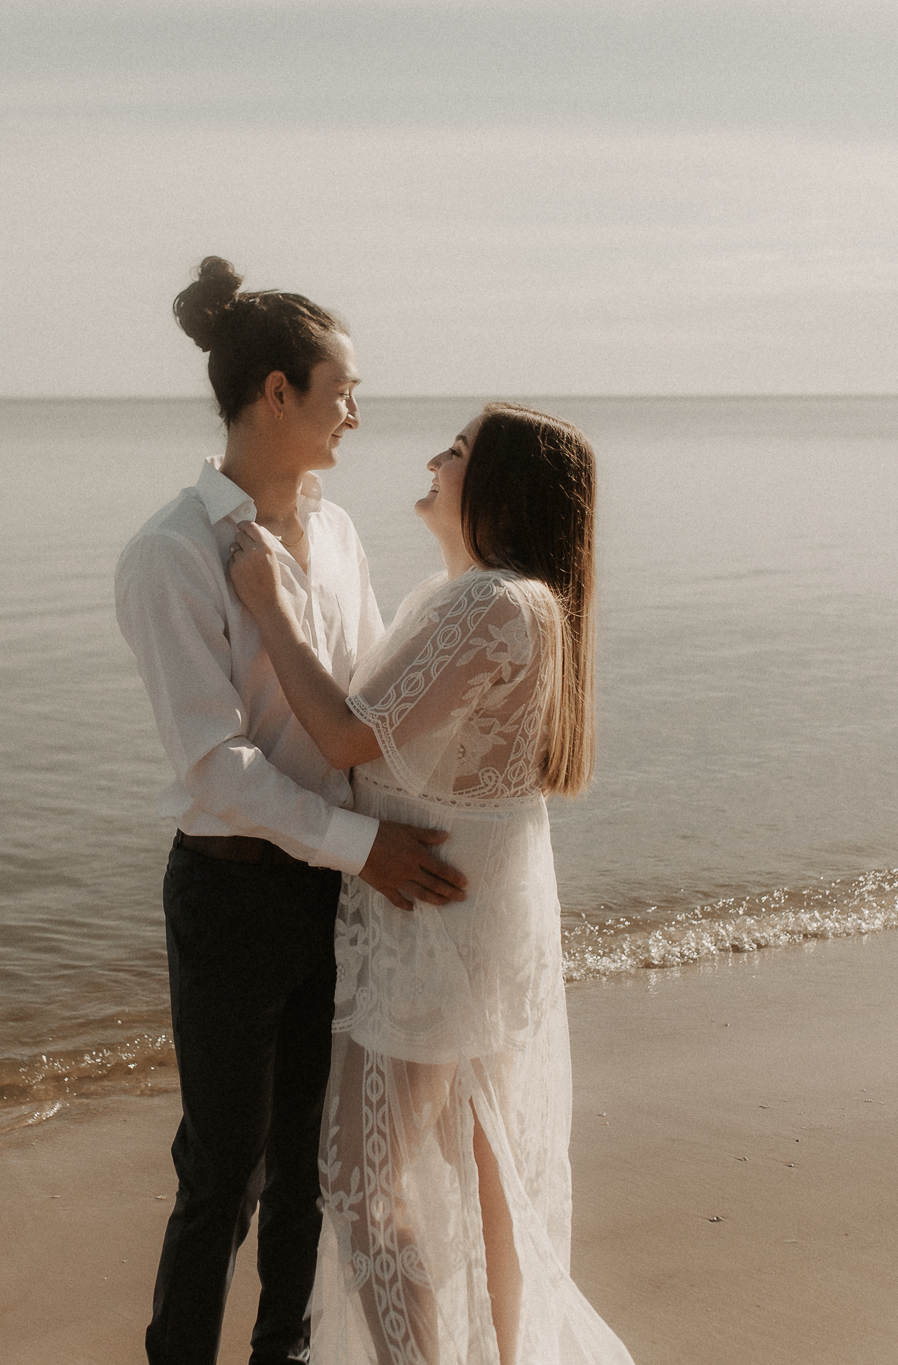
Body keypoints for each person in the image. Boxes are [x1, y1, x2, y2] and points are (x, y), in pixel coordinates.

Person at [115, 257, 472, 1365]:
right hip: (229, 894)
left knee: (315, 1169)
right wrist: (366, 849)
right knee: (223, 1170)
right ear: (275, 392)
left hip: (342, 888)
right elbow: (216, 768)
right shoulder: (170, 553)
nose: (356, 416)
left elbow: (357, 708)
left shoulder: (339, 534)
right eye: (340, 392)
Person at [227, 404, 635, 1364]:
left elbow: (343, 736)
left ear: (498, 488)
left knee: (362, 1178)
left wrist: (267, 600)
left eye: (454, 453)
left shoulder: (490, 603)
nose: (431, 459)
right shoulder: (493, 598)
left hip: (435, 922)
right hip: (466, 910)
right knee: (484, 1165)